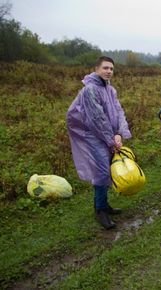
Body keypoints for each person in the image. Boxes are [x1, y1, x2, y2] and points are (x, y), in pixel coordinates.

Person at [66, 56, 131, 230]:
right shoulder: (90, 90)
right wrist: (111, 140)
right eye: (105, 68)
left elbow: (118, 112)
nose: (109, 71)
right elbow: (97, 119)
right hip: (94, 136)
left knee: (107, 170)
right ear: (96, 69)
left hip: (109, 136)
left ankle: (104, 205)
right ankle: (99, 210)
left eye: (111, 68)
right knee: (101, 171)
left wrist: (118, 133)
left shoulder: (110, 89)